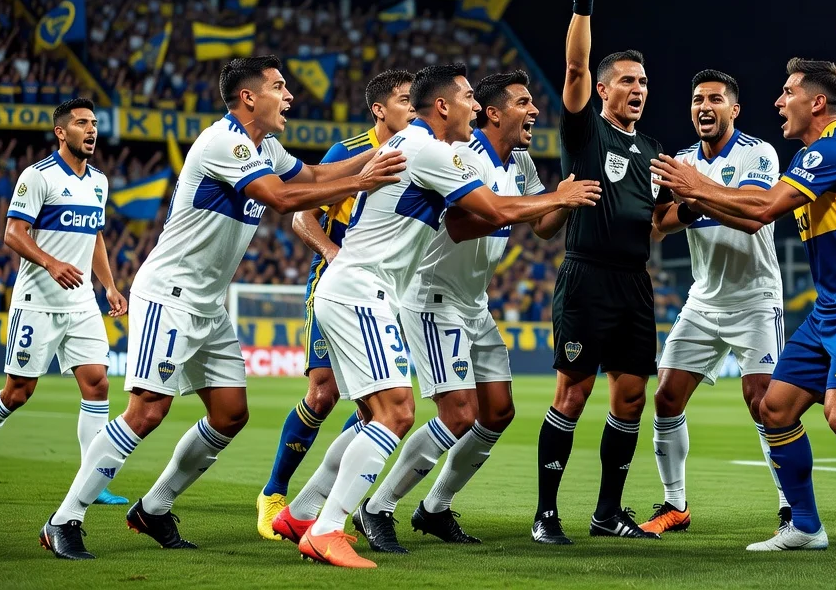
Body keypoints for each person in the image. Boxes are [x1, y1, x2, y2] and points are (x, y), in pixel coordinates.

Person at [39, 56, 406, 560]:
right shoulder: (224, 142)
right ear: (249, 98)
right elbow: (281, 198)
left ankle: (154, 508)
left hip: (207, 305)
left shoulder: (265, 146)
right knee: (147, 410)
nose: (290, 96)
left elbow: (316, 172)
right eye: (280, 87)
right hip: (168, 294)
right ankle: (64, 519)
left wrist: (376, 158)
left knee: (230, 414)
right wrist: (364, 182)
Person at [271, 64, 599, 568]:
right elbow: (488, 212)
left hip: (379, 290)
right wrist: (561, 196)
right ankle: (333, 526)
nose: (471, 104)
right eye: (468, 97)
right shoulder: (431, 150)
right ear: (445, 105)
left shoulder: (431, 148)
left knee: (377, 417)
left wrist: (561, 198)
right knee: (397, 413)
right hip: (374, 291)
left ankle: (302, 512)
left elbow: (517, 215)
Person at [651, 58, 836, 565]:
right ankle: (804, 525)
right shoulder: (817, 155)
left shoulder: (831, 151)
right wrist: (698, 192)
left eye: (788, 93)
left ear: (817, 103)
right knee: (774, 410)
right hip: (830, 308)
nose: (779, 102)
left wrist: (694, 188)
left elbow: (760, 211)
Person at [364, 70, 566, 544]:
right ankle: (377, 507)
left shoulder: (520, 162)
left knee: (497, 411)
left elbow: (541, 225)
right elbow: (457, 222)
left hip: (473, 303)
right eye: (523, 102)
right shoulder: (460, 153)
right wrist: (532, 203)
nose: (534, 111)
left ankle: (434, 508)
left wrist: (572, 197)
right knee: (457, 414)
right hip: (432, 298)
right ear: (494, 113)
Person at [531, 0, 676, 545]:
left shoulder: (651, 147)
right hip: (586, 277)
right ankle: (545, 514)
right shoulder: (584, 129)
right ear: (603, 89)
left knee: (632, 395)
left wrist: (690, 208)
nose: (638, 90)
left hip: (633, 282)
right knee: (574, 390)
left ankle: (608, 512)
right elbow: (574, 63)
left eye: (643, 82)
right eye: (627, 81)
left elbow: (655, 223)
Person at [256, 69, 416, 540]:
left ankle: (318, 505)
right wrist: (333, 254)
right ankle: (275, 493)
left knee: (377, 397)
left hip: (387, 287)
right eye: (406, 100)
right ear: (379, 110)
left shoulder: (420, 152)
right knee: (324, 393)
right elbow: (301, 217)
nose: (414, 107)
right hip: (338, 279)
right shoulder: (346, 153)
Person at [0, 98, 128, 507]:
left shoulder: (98, 181)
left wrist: (109, 286)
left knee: (98, 383)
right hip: (37, 301)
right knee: (18, 392)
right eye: (82, 123)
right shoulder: (38, 176)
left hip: (81, 302)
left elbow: (95, 236)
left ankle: (90, 480)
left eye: (94, 123)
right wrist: (50, 263)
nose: (92, 130)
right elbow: (13, 232)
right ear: (61, 132)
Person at [641, 69, 789, 535]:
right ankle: (675, 505)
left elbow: (753, 213)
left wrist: (696, 192)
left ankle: (791, 506)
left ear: (734, 109)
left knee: (762, 401)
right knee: (665, 396)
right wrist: (688, 204)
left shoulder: (758, 152)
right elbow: (659, 223)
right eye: (697, 98)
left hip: (755, 299)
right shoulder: (680, 160)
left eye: (716, 99)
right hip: (702, 301)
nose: (705, 106)